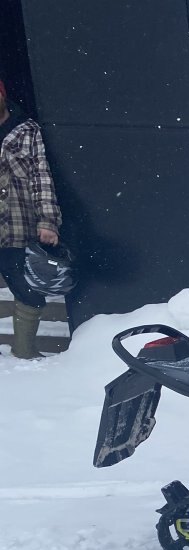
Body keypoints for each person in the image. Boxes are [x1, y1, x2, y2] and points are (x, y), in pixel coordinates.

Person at [0, 78, 62, 360]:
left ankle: (24, 350)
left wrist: (47, 221)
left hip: (16, 225)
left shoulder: (26, 130)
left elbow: (41, 177)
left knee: (27, 290)